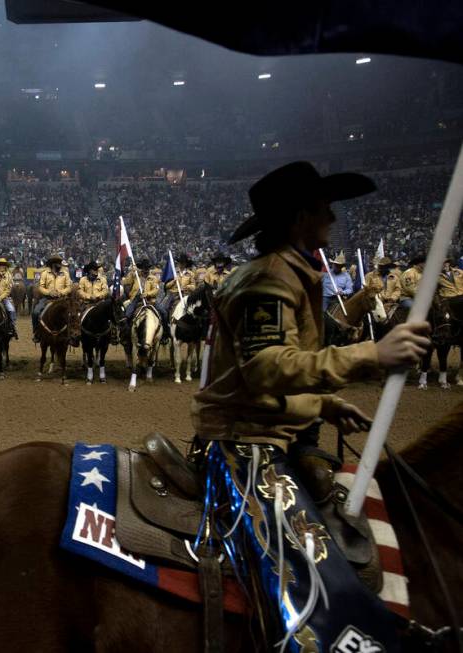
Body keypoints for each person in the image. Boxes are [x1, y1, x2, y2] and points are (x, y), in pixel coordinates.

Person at [192, 161, 431, 651]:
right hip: (247, 444)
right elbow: (264, 366)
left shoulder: (289, 272)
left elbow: (267, 371)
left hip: (266, 428)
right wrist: (373, 353)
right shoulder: (270, 279)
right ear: (301, 216)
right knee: (314, 578)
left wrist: (321, 405)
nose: (333, 219)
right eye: (325, 208)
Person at [32, 255, 71, 342]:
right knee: (35, 312)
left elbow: (69, 287)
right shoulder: (45, 273)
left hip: (62, 299)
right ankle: (36, 332)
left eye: (60, 263)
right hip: (47, 299)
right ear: (53, 264)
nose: (60, 265)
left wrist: (61, 292)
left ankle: (71, 335)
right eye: (58, 263)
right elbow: (41, 287)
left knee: (73, 314)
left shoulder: (65, 274)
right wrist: (49, 292)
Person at [0, 257, 18, 339]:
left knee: (11, 310)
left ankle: (12, 327)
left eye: (3, 265)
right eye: (0, 264)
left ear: (5, 266)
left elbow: (8, 290)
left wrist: (0, 297)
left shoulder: (9, 276)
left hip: (4, 298)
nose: (2, 266)